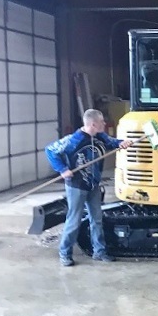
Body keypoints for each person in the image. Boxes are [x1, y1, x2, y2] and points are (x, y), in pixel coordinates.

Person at [45, 109, 133, 267]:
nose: (105, 124)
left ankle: (99, 251)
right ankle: (65, 253)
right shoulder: (73, 140)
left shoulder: (99, 136)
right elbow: (50, 150)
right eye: (102, 122)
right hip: (77, 186)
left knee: (97, 219)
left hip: (93, 185)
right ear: (93, 124)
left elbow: (112, 142)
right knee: (74, 220)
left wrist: (121, 143)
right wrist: (63, 169)